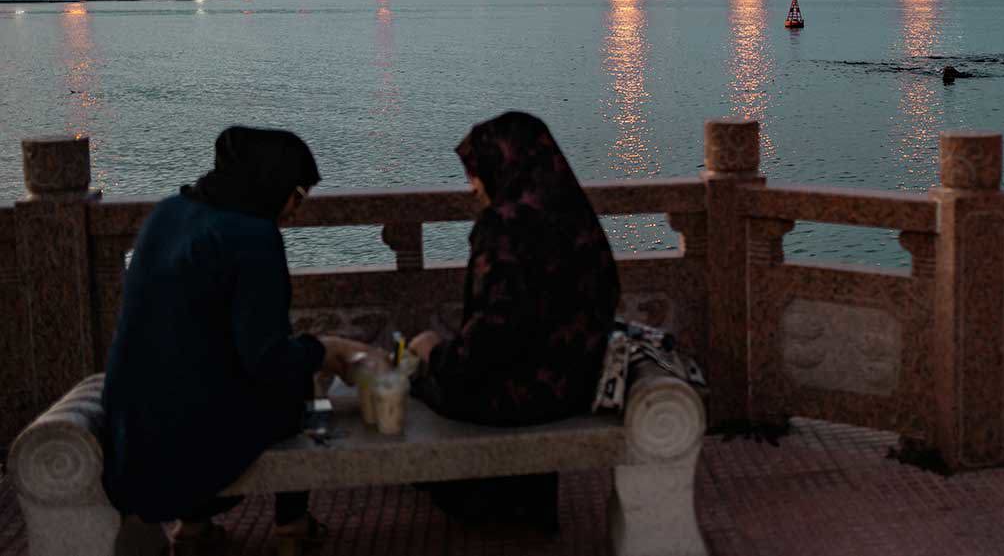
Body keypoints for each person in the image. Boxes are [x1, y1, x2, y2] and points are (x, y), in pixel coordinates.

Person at [101, 127, 376, 554]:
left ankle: (193, 529)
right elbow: (267, 360)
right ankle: (293, 523)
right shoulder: (254, 238)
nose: (296, 211)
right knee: (301, 382)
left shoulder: (168, 213)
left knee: (200, 373)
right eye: (298, 196)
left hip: (130, 433)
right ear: (273, 185)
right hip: (190, 447)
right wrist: (327, 350)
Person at [407, 112, 621, 525]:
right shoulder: (575, 217)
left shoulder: (505, 229)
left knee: (416, 382)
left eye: (476, 173)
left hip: (528, 396)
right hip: (578, 382)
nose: (473, 186)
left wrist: (433, 353)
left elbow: (491, 341)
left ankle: (472, 490)